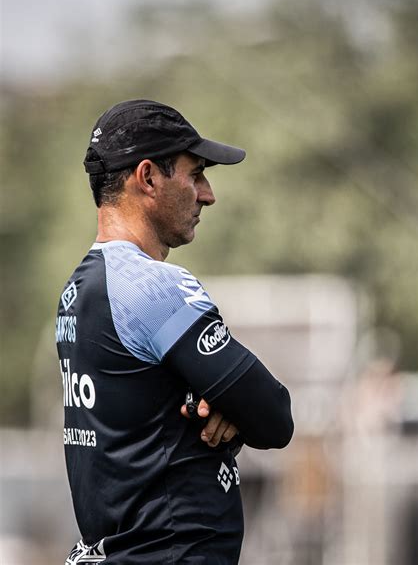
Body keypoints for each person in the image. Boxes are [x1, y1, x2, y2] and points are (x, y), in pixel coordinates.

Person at [56, 99, 294, 565]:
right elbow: (274, 415)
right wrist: (236, 407)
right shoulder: (154, 286)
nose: (208, 194)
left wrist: (218, 404)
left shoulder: (80, 288)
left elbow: (147, 417)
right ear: (147, 177)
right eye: (196, 173)